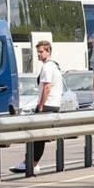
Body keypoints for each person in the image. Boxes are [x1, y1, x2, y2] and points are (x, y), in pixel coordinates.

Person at [9, 40, 62, 175]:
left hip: (47, 105)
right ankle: (33, 163)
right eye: (37, 52)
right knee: (39, 137)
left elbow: (47, 87)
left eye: (41, 51)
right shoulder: (55, 65)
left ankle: (32, 163)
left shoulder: (47, 67)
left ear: (48, 51)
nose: (38, 54)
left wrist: (41, 105)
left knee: (38, 136)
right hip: (53, 105)